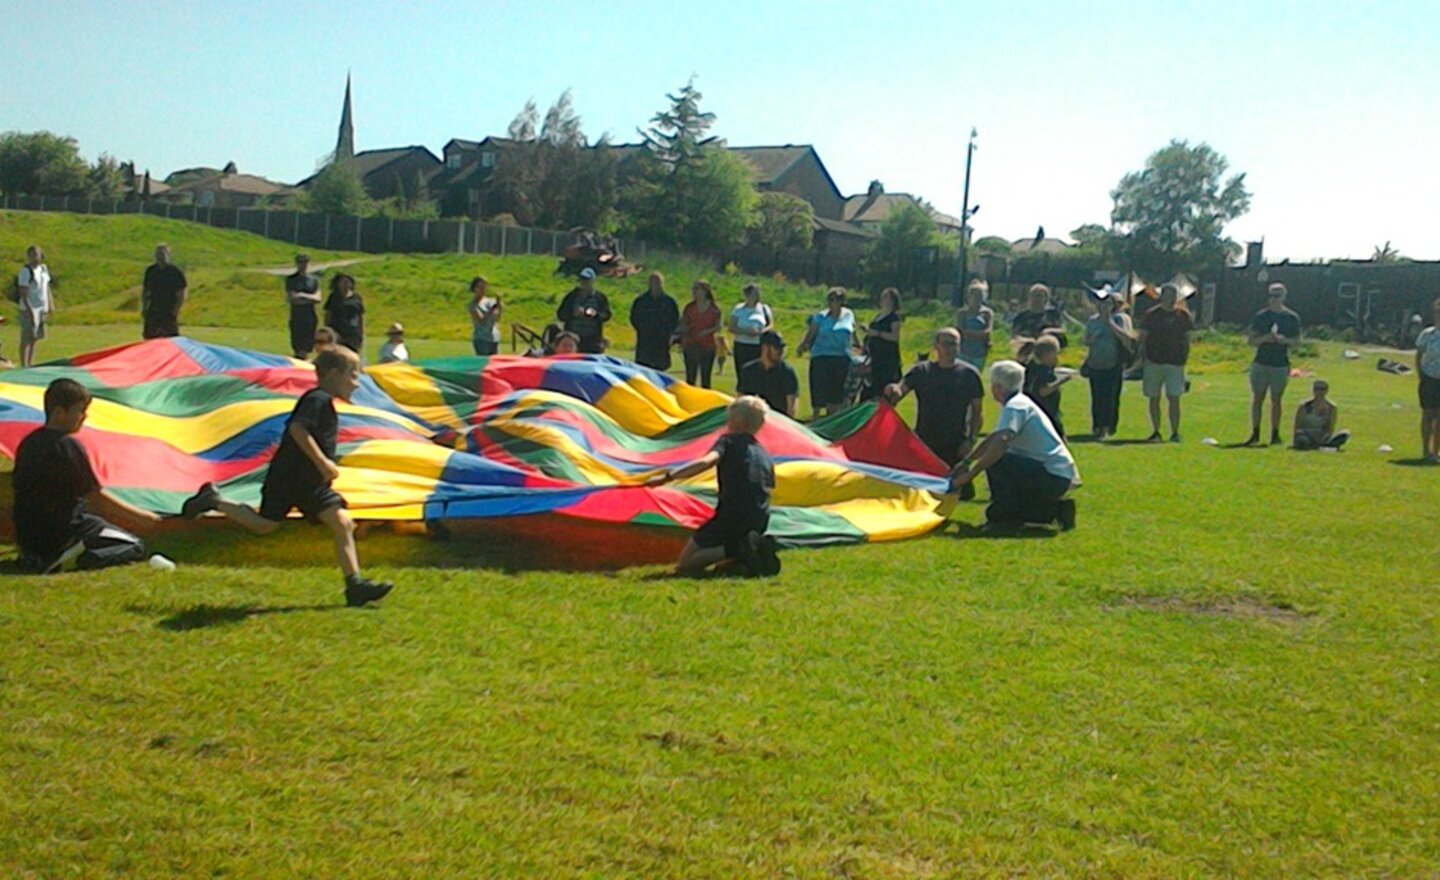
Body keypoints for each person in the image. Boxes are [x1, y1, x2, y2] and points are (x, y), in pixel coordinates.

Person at [178, 347, 394, 607]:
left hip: (309, 482)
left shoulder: (324, 401)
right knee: (266, 525)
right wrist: (322, 461)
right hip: (290, 477)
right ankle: (213, 501)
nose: (356, 383)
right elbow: (297, 429)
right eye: (353, 375)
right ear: (335, 374)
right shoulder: (316, 399)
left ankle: (355, 586)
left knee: (339, 523)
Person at [12, 379, 159, 573]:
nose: (84, 417)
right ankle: (69, 559)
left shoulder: (28, 443)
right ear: (58, 412)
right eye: (79, 410)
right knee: (133, 546)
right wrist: (142, 517)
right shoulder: (67, 447)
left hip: (29, 536)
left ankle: (38, 556)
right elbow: (96, 497)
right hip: (64, 531)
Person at [646, 395, 780, 577]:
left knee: (685, 564)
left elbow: (707, 461)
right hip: (760, 518)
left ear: (740, 421)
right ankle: (748, 556)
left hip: (731, 515)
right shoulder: (763, 453)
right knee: (723, 560)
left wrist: (669, 477)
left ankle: (739, 550)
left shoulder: (728, 441)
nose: (727, 424)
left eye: (730, 419)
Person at [950, 360, 1079, 532]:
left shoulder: (1015, 407)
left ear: (997, 387)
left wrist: (973, 473)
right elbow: (993, 439)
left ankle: (1002, 518)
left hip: (1051, 475)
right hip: (1056, 474)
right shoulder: (1020, 402)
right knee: (1024, 508)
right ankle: (1056, 510)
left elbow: (1001, 441)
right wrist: (966, 462)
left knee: (999, 461)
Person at [885, 327, 985, 498]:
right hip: (924, 444)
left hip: (955, 445)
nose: (951, 348)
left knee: (963, 495)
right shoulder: (922, 371)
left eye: (954, 344)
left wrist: (970, 439)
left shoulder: (969, 375)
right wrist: (893, 389)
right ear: (936, 346)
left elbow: (977, 413)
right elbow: (899, 393)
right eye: (946, 344)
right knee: (917, 491)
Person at [1245, 282, 1302, 446]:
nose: (1273, 299)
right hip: (1261, 362)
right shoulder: (1261, 316)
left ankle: (1275, 434)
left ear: (1284, 297)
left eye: (1277, 295)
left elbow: (1297, 342)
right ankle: (1255, 433)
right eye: (1271, 295)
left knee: (1276, 399)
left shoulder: (1291, 318)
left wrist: (1284, 340)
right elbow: (1251, 341)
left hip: (1280, 364)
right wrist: (1264, 339)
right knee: (1257, 398)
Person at [1138, 282, 1195, 442]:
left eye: (1173, 296)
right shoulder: (1151, 315)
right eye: (1167, 295)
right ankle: (1156, 431)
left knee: (1174, 398)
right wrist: (1141, 359)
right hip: (1153, 361)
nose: (1170, 299)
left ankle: (1175, 432)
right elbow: (1143, 337)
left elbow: (1188, 338)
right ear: (1161, 296)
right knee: (1153, 397)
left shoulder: (1183, 316)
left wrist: (1184, 359)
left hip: (1175, 363)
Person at [1081, 288, 1135, 440]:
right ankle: (1097, 426)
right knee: (1096, 396)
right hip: (1095, 363)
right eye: (1101, 303)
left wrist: (1109, 323)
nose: (1104, 306)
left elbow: (1127, 338)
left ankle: (1108, 427)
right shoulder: (1093, 321)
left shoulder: (1120, 319)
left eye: (1107, 304)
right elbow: (1086, 340)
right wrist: (1091, 339)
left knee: (1110, 397)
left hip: (1113, 364)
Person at [797, 287, 858, 418]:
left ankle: (831, 418)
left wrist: (859, 346)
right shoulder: (820, 317)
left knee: (836, 393)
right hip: (821, 356)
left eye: (835, 300)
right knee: (819, 389)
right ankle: (815, 417)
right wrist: (803, 346)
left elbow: (852, 332)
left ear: (841, 301)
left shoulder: (848, 315)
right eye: (830, 300)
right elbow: (811, 334)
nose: (831, 303)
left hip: (841, 357)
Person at [738, 331, 800, 418]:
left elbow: (791, 405)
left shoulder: (786, 372)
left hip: (778, 420)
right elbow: (740, 399)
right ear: (765, 348)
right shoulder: (748, 370)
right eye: (777, 348)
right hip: (754, 420)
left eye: (782, 348)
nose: (781, 351)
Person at [629, 271, 679, 371]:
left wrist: (668, 332)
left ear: (662, 283)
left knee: (660, 368)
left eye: (657, 282)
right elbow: (634, 318)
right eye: (652, 282)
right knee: (644, 369)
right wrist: (643, 329)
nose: (655, 284)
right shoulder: (641, 301)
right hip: (645, 341)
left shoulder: (669, 302)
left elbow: (675, 319)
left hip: (661, 341)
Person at [1023, 334, 1069, 439]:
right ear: (1048, 354)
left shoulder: (1031, 365)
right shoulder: (1044, 371)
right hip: (1047, 411)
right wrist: (1061, 381)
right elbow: (1043, 391)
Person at [556, 267, 611, 354]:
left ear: (593, 281)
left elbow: (606, 315)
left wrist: (591, 313)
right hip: (573, 340)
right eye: (582, 280)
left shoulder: (600, 298)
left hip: (592, 341)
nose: (584, 283)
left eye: (587, 280)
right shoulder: (571, 297)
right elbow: (560, 314)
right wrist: (572, 313)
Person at [15, 245, 53, 368]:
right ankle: (24, 364)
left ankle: (30, 362)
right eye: (31, 255)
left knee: (35, 337)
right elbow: (23, 292)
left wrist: (50, 304)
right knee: (26, 337)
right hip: (30, 308)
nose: (33, 258)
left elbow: (46, 288)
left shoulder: (43, 269)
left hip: (41, 308)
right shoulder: (26, 271)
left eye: (36, 254)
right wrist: (30, 310)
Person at [679, 280, 722, 388]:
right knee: (690, 377)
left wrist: (706, 332)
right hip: (691, 344)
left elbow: (718, 326)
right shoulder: (689, 307)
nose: (694, 292)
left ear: (705, 291)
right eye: (693, 289)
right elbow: (683, 323)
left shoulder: (714, 309)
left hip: (708, 346)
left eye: (697, 289)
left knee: (706, 377)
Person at [1413, 297, 1440, 462]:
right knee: (1428, 415)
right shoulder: (1427, 334)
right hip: (1429, 379)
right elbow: (1419, 356)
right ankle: (1426, 450)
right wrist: (1421, 375)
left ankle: (1436, 451)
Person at [141, 243, 187, 339]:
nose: (160, 257)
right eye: (158, 254)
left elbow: (181, 293)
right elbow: (145, 291)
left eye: (162, 254)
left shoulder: (175, 272)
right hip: (153, 309)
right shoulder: (151, 271)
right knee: (150, 336)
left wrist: (176, 310)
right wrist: (144, 307)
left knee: (170, 338)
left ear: (168, 255)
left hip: (168, 310)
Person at [728, 283, 774, 377]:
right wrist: (745, 332)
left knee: (758, 374)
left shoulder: (764, 308)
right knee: (742, 372)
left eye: (757, 294)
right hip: (741, 345)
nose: (755, 296)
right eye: (752, 294)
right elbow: (731, 327)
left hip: (758, 346)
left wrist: (759, 332)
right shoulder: (738, 309)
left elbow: (770, 325)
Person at [863, 287, 904, 391]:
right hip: (875, 357)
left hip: (887, 358)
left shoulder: (894, 317)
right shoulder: (878, 315)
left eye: (886, 297)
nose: (883, 300)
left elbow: (895, 337)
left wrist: (877, 333)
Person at [1291, 380, 1350, 450]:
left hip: (1321, 435)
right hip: (1306, 434)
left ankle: (1323, 444)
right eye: (1317, 389)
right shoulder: (1304, 405)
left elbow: (1330, 427)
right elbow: (1297, 425)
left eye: (1322, 389)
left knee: (1344, 434)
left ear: (1326, 391)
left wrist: (1325, 436)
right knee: (1301, 439)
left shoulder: (1331, 407)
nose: (1319, 392)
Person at [284, 253, 321, 359]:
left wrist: (302, 295)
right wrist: (309, 298)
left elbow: (318, 298)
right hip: (296, 314)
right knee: (297, 341)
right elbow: (292, 298)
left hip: (310, 315)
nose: (303, 265)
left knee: (309, 341)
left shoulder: (314, 280)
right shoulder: (291, 279)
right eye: (300, 262)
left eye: (305, 262)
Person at [323, 273, 365, 357]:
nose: (345, 284)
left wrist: (361, 332)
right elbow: (328, 314)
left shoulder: (356, 297)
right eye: (343, 282)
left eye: (347, 282)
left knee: (352, 354)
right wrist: (328, 331)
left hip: (352, 332)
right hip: (337, 331)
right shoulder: (333, 297)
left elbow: (360, 316)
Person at [954, 279, 994, 369]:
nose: (977, 298)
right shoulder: (962, 313)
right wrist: (979, 334)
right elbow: (960, 332)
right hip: (963, 351)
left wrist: (969, 333)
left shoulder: (987, 313)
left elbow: (987, 332)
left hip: (979, 352)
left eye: (980, 295)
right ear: (969, 296)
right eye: (975, 295)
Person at [468, 277, 502, 356]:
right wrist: (491, 310)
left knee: (494, 364)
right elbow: (481, 321)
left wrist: (499, 305)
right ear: (475, 288)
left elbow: (497, 318)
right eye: (480, 287)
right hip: (481, 339)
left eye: (484, 287)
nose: (483, 290)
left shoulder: (489, 301)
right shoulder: (473, 305)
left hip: (493, 338)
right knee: (484, 363)